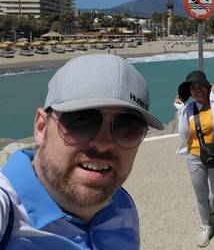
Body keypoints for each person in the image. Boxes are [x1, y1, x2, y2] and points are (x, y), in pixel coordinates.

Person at [0, 54, 163, 249]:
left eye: (128, 127)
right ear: (41, 127)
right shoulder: (7, 213)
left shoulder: (122, 205)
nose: (104, 143)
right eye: (82, 121)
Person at [174, 70, 214, 247]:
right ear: (189, 92)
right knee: (201, 195)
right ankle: (206, 226)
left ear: (207, 88)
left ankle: (212, 215)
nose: (197, 91)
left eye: (200, 87)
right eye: (193, 88)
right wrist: (181, 111)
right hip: (194, 156)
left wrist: (213, 99)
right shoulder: (189, 109)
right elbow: (183, 134)